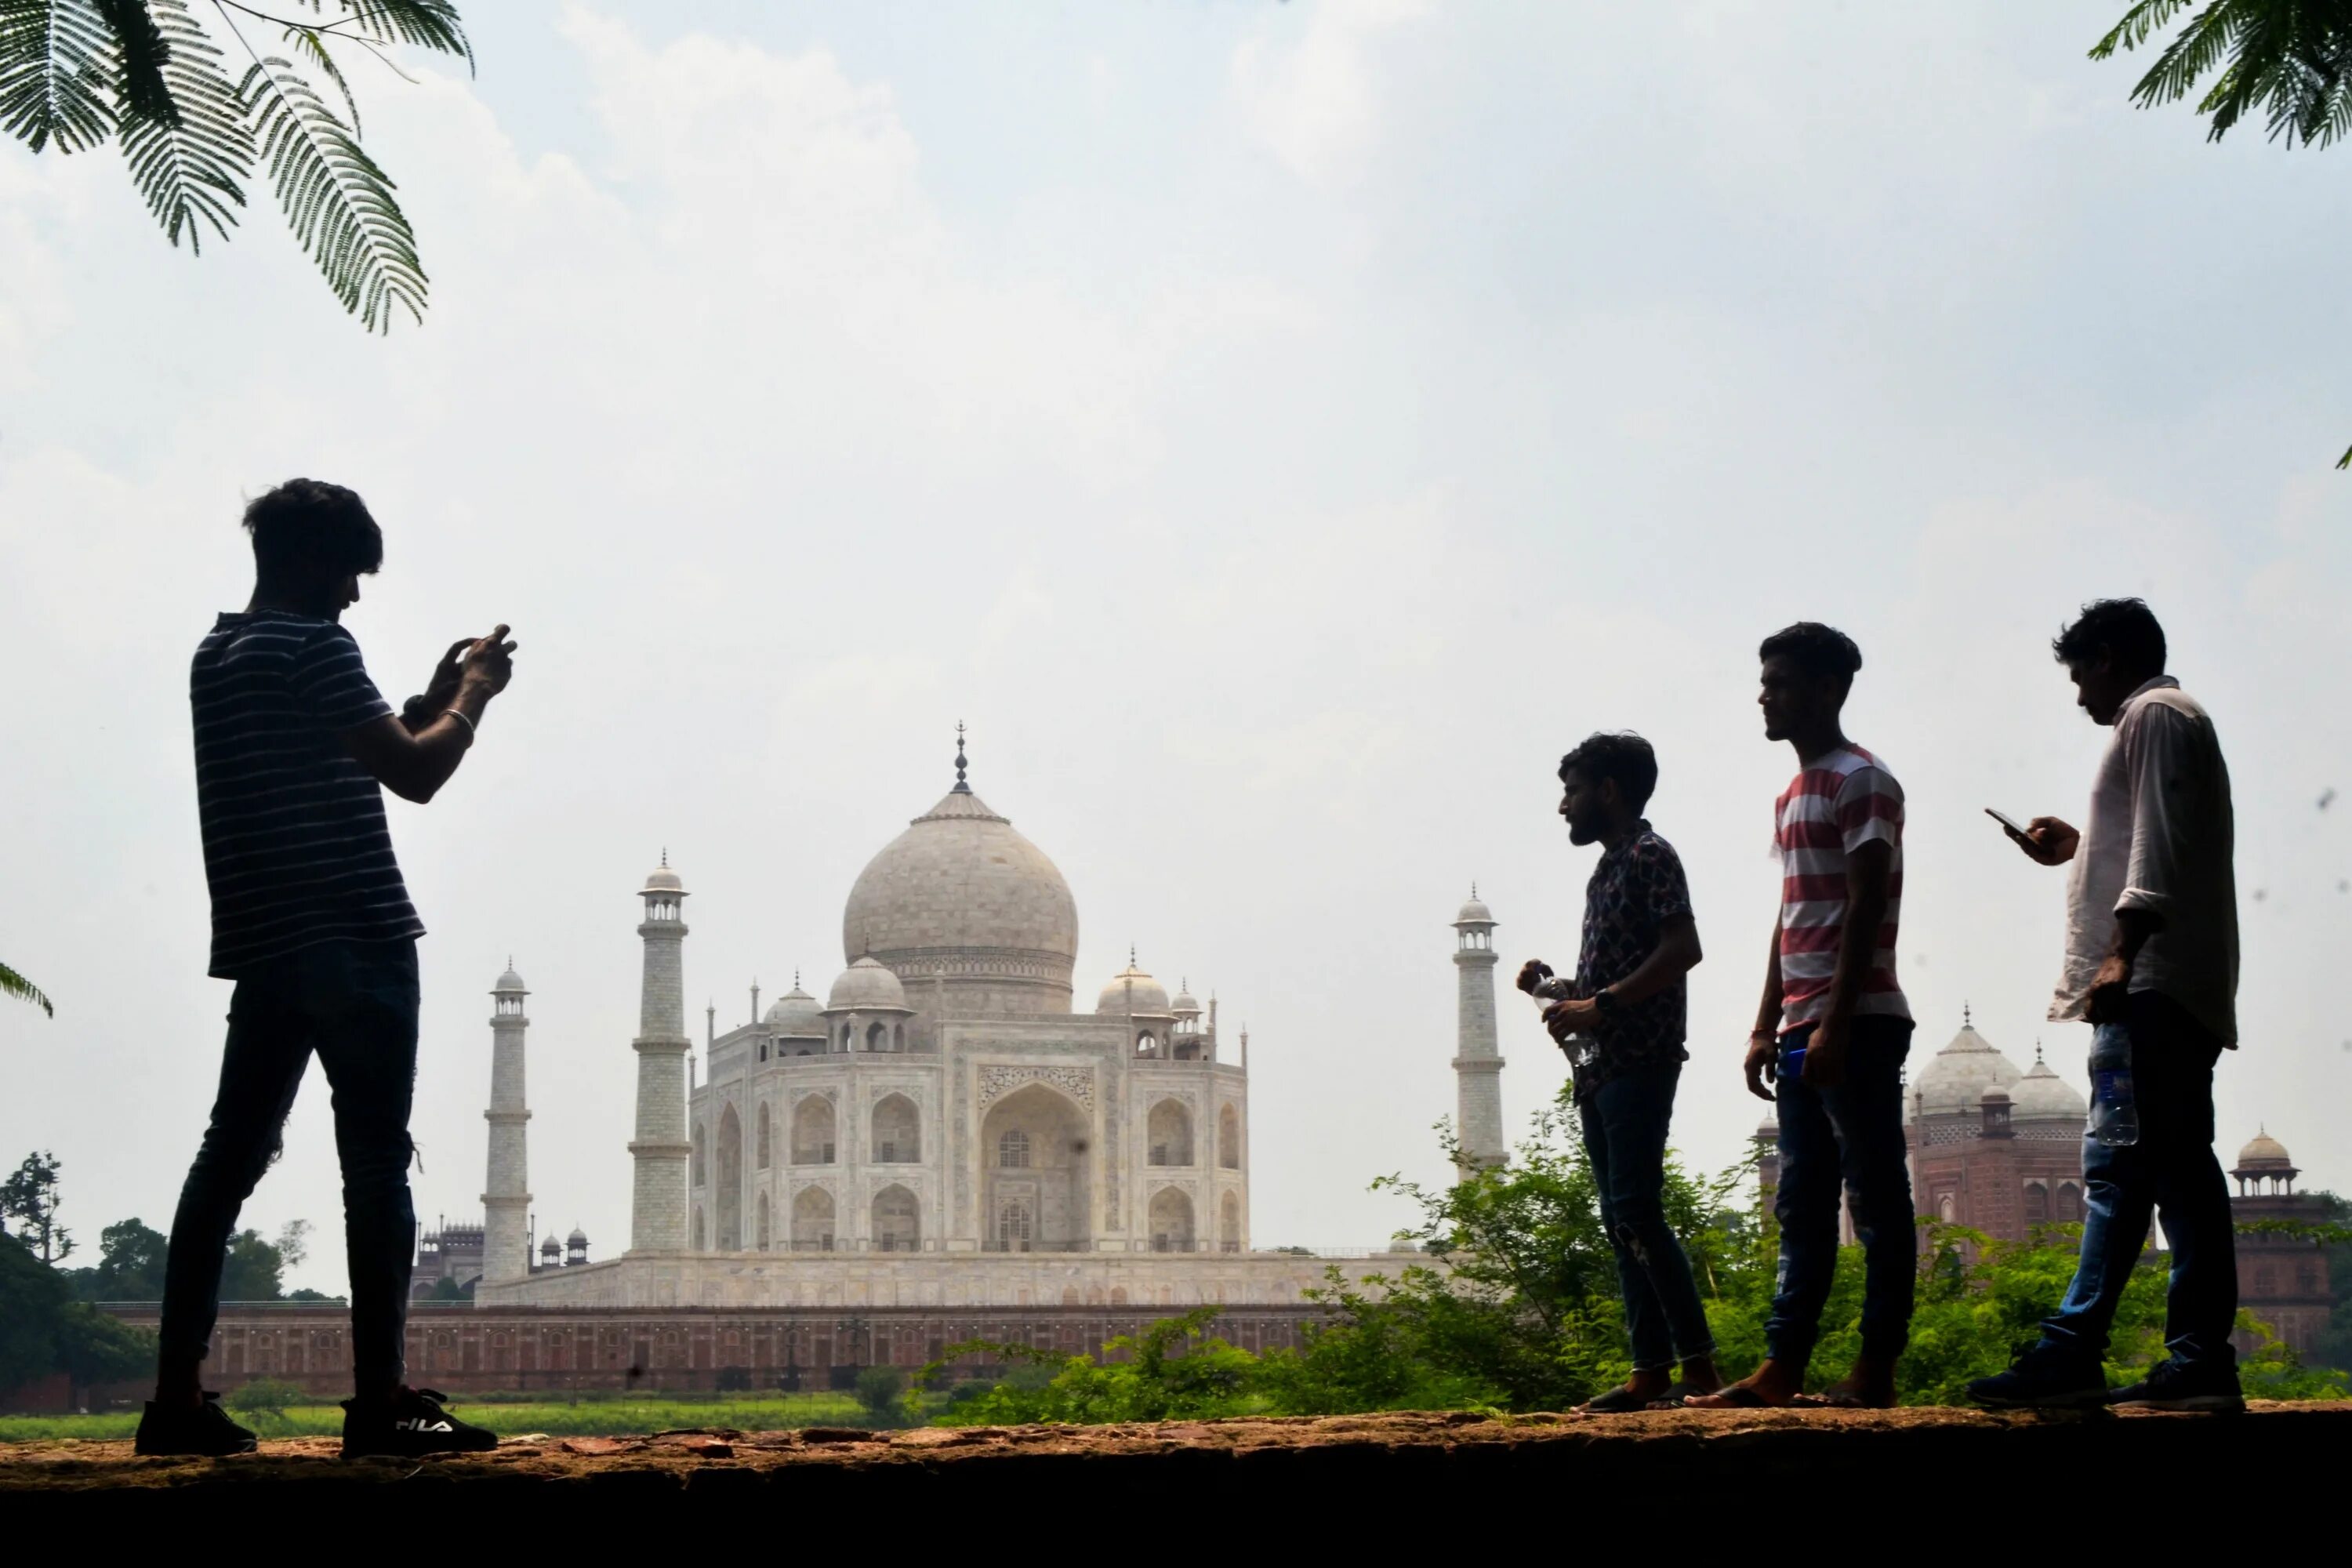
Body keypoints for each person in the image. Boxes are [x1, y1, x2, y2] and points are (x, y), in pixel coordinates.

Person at [135, 479, 516, 1458]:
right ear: (310, 560)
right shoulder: (315, 645)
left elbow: (334, 753)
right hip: (355, 933)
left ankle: (174, 1400)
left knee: (226, 1159)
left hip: (267, 943)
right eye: (350, 570)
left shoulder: (217, 654)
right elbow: (416, 774)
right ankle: (382, 1401)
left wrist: (424, 702)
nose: (354, 593)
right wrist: (472, 697)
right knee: (376, 1164)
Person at [1969, 599, 2242, 1412]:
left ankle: (2132, 1351)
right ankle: (2133, 1351)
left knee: (2140, 1168)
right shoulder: (2169, 718)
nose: (2078, 690)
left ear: (2113, 656)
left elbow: (2158, 850)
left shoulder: (2152, 714)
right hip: (2162, 983)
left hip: (2150, 985)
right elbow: (2161, 834)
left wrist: (2120, 955)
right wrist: (2077, 849)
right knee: (2145, 1167)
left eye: (2081, 669)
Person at [1690, 622, 1915, 1410]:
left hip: (1856, 1022)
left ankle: (1874, 1368)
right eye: (1765, 680)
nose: (1765, 694)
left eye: (1780, 681)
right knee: (1802, 1201)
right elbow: (1793, 916)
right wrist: (1766, 1023)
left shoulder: (1864, 780)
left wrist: (1835, 1020)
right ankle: (1783, 1366)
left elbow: (1864, 903)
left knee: (1875, 1198)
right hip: (1802, 1025)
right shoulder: (1793, 793)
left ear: (1827, 689)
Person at [1517, 732, 1721, 1410]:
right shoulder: (1608, 871)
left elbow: (1682, 949)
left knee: (1636, 1210)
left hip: (1641, 1059)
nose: (1563, 807)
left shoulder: (1649, 855)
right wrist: (1556, 990)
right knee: (1619, 1219)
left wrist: (1597, 1004)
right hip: (1604, 1066)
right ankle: (1649, 1370)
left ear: (1608, 791)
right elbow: (1613, 980)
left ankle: (1699, 1370)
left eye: (1572, 791)